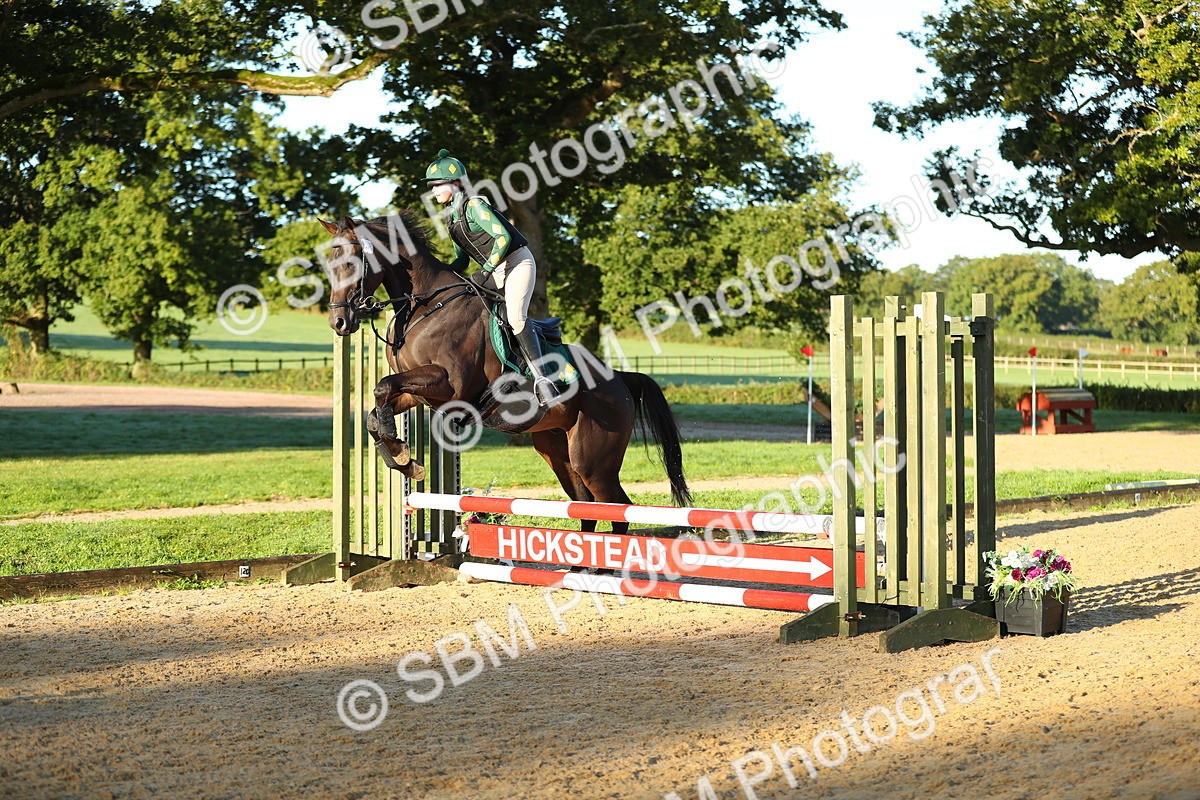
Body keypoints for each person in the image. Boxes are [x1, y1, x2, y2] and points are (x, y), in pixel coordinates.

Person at [424, 149, 558, 405]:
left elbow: (503, 238)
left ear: (455, 183)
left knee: (516, 317)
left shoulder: (474, 205)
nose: (433, 191)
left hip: (517, 262)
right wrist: (438, 278)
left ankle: (543, 379)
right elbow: (462, 260)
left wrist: (485, 270)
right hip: (495, 269)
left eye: (437, 185)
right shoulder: (452, 218)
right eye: (431, 187)